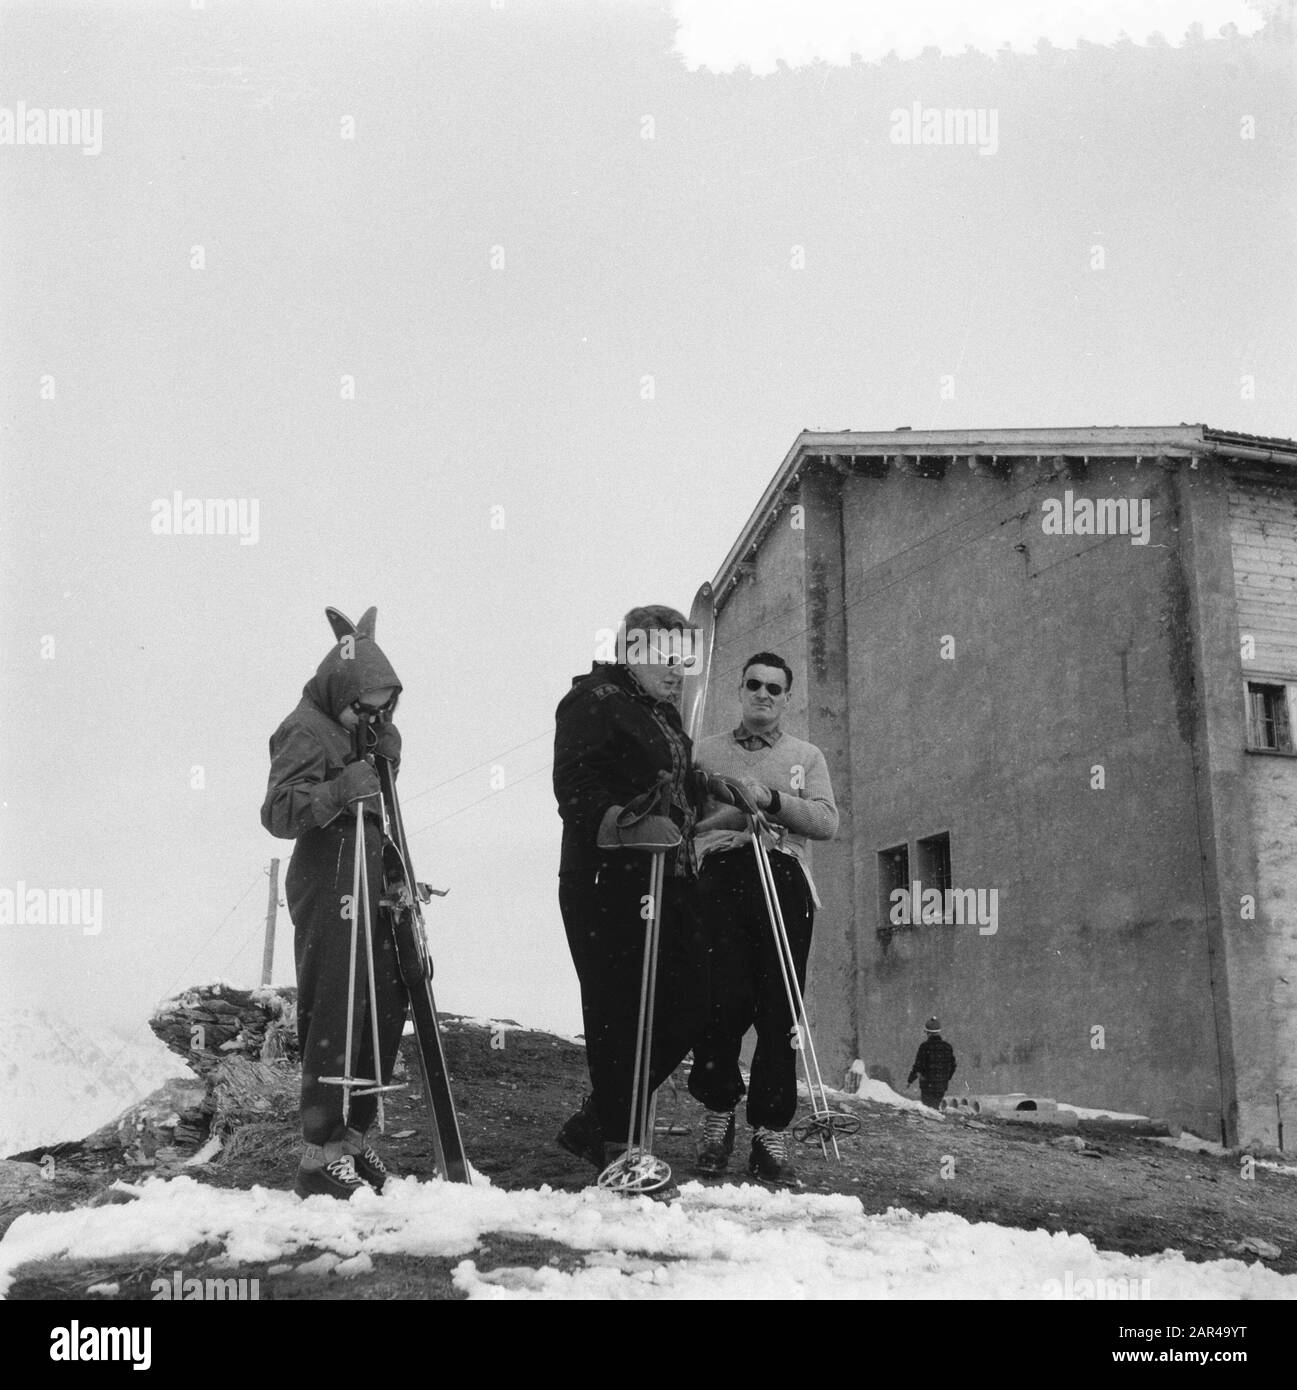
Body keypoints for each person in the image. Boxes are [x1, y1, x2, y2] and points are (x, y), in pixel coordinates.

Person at [552, 604, 708, 1172]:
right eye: (666, 659)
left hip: (671, 875)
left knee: (695, 1000)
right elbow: (573, 784)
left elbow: (668, 779)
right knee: (619, 1011)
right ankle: (619, 1148)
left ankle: (600, 1122)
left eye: (683, 661)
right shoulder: (594, 700)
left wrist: (706, 785)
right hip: (607, 879)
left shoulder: (660, 712)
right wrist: (624, 824)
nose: (677, 672)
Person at [261, 606, 406, 1199]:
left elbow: (378, 803)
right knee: (336, 1006)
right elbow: (278, 812)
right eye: (363, 707)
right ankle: (318, 1151)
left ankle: (353, 1135)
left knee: (380, 1001)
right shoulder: (304, 728)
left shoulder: (356, 730)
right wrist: (341, 788)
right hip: (328, 880)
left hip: (369, 874)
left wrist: (385, 756)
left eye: (384, 708)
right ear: (337, 689)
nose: (372, 718)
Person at [687, 652, 838, 1186]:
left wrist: (771, 799)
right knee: (717, 999)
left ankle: (769, 1130)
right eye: (754, 685)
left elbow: (825, 820)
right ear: (740, 689)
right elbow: (689, 820)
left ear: (786, 698)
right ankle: (719, 1112)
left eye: (775, 689)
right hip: (723, 872)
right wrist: (736, 804)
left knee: (780, 1006)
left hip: (783, 875)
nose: (764, 695)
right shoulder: (704, 751)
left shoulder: (806, 755)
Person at [908, 1017, 957, 1109]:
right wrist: (946, 1078)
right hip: (941, 1085)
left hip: (927, 1085)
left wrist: (910, 1080)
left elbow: (918, 1066)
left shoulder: (924, 1047)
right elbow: (953, 1066)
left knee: (927, 1109)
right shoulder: (947, 1047)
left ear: (927, 1032)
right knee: (935, 1106)